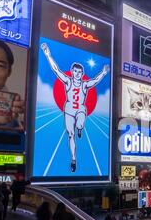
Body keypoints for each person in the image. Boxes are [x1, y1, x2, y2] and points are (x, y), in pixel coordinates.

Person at [41, 43, 110, 172]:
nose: (77, 73)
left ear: (82, 73)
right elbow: (56, 70)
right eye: (75, 71)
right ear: (72, 72)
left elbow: (95, 80)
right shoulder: (68, 81)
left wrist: (104, 72)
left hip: (80, 110)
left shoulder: (84, 84)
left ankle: (80, 128)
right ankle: (73, 159)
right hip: (68, 110)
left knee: (80, 123)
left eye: (80, 72)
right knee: (70, 135)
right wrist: (47, 54)